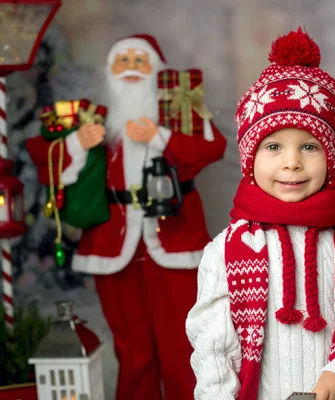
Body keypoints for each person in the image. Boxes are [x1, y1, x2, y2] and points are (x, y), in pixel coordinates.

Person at [185, 27, 335, 400]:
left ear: (332, 159)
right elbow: (212, 348)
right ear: (249, 159)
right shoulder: (225, 251)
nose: (292, 163)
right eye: (273, 146)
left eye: (309, 146)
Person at [26, 33, 227, 400]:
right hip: (111, 246)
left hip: (173, 240)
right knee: (132, 347)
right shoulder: (92, 115)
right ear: (109, 71)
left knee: (181, 342)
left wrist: (159, 135)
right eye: (124, 60)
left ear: (158, 70)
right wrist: (77, 143)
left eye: (140, 60)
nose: (132, 68)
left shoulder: (179, 110)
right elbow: (39, 150)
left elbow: (213, 148)